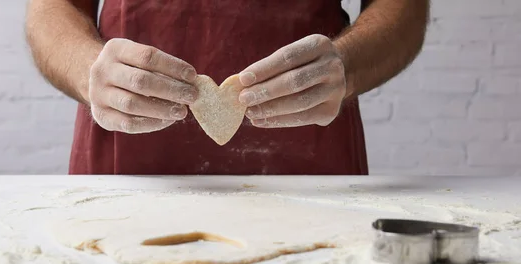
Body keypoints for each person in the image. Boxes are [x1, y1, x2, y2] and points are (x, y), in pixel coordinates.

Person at [25, 0, 429, 175]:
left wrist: (349, 65)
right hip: (126, 160)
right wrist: (88, 69)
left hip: (312, 157)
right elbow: (49, 10)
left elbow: (403, 9)